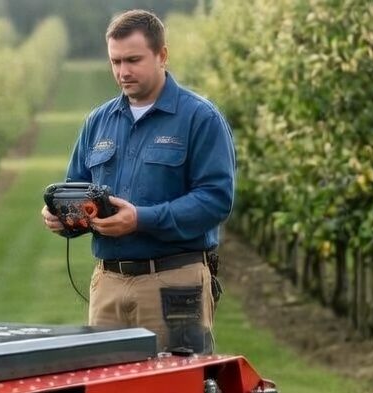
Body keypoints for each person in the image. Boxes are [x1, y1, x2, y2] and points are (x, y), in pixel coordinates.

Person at [41, 9, 235, 354]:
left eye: (133, 60)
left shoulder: (200, 118)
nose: (122, 72)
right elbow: (78, 188)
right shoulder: (98, 122)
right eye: (115, 61)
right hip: (109, 284)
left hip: (174, 282)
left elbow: (215, 200)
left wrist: (141, 219)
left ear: (162, 55)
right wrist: (64, 219)